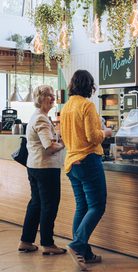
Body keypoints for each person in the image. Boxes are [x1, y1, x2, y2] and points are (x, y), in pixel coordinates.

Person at [60, 70, 112, 270]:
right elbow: (92, 136)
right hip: (88, 160)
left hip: (71, 162)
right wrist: (105, 132)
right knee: (97, 206)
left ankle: (84, 254)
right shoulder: (86, 105)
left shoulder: (66, 107)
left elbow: (66, 136)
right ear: (89, 86)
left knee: (82, 207)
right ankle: (76, 245)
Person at [18, 85, 66, 255]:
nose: (52, 98)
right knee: (49, 206)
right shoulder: (41, 119)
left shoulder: (38, 116)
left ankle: (26, 241)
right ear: (40, 98)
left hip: (35, 166)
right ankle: (48, 244)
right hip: (45, 168)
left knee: (36, 204)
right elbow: (50, 147)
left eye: (53, 95)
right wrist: (64, 143)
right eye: (48, 95)